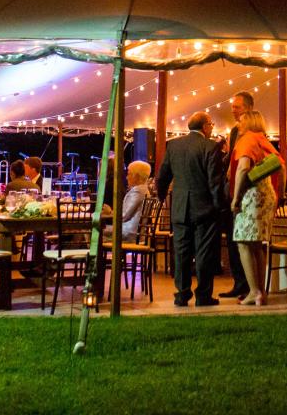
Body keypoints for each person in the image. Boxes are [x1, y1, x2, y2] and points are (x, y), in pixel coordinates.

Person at [156, 112, 227, 307]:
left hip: (180, 208)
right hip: (204, 208)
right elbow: (215, 182)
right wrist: (220, 206)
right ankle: (203, 295)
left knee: (181, 252)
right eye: (211, 124)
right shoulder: (210, 147)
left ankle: (182, 293)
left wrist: (161, 196)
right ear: (205, 126)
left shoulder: (174, 145)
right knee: (204, 252)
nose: (212, 127)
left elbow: (162, 176)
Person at [228, 109, 283, 305]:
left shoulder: (247, 139)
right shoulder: (263, 140)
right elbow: (280, 166)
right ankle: (261, 291)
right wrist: (281, 194)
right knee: (258, 245)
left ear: (250, 122)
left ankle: (254, 292)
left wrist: (236, 198)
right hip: (267, 193)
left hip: (252, 195)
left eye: (241, 120)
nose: (238, 123)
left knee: (242, 242)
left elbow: (243, 167)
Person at [217, 90, 256, 299]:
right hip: (231, 189)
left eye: (237, 106)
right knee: (233, 239)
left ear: (248, 108)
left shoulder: (253, 131)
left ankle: (249, 285)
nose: (233, 110)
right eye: (232, 106)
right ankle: (240, 282)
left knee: (243, 240)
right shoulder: (234, 131)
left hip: (244, 192)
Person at [108, 161, 152, 243]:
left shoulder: (138, 191)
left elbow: (124, 216)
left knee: (95, 230)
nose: (127, 177)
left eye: (129, 174)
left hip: (128, 234)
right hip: (133, 231)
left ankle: (94, 255)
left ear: (136, 176)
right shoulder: (143, 190)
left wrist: (110, 212)